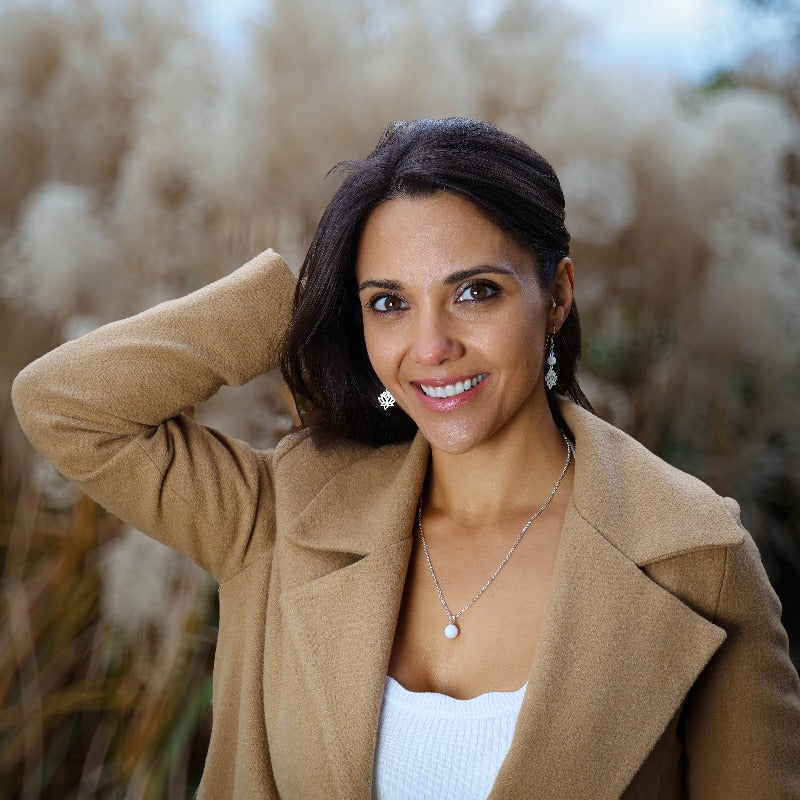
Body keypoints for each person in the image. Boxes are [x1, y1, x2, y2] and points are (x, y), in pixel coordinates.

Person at [12, 117, 800, 799]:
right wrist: (302, 304)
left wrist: (379, 292)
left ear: (558, 295)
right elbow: (66, 406)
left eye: (475, 292)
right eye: (389, 303)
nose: (431, 348)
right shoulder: (283, 515)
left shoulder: (695, 559)